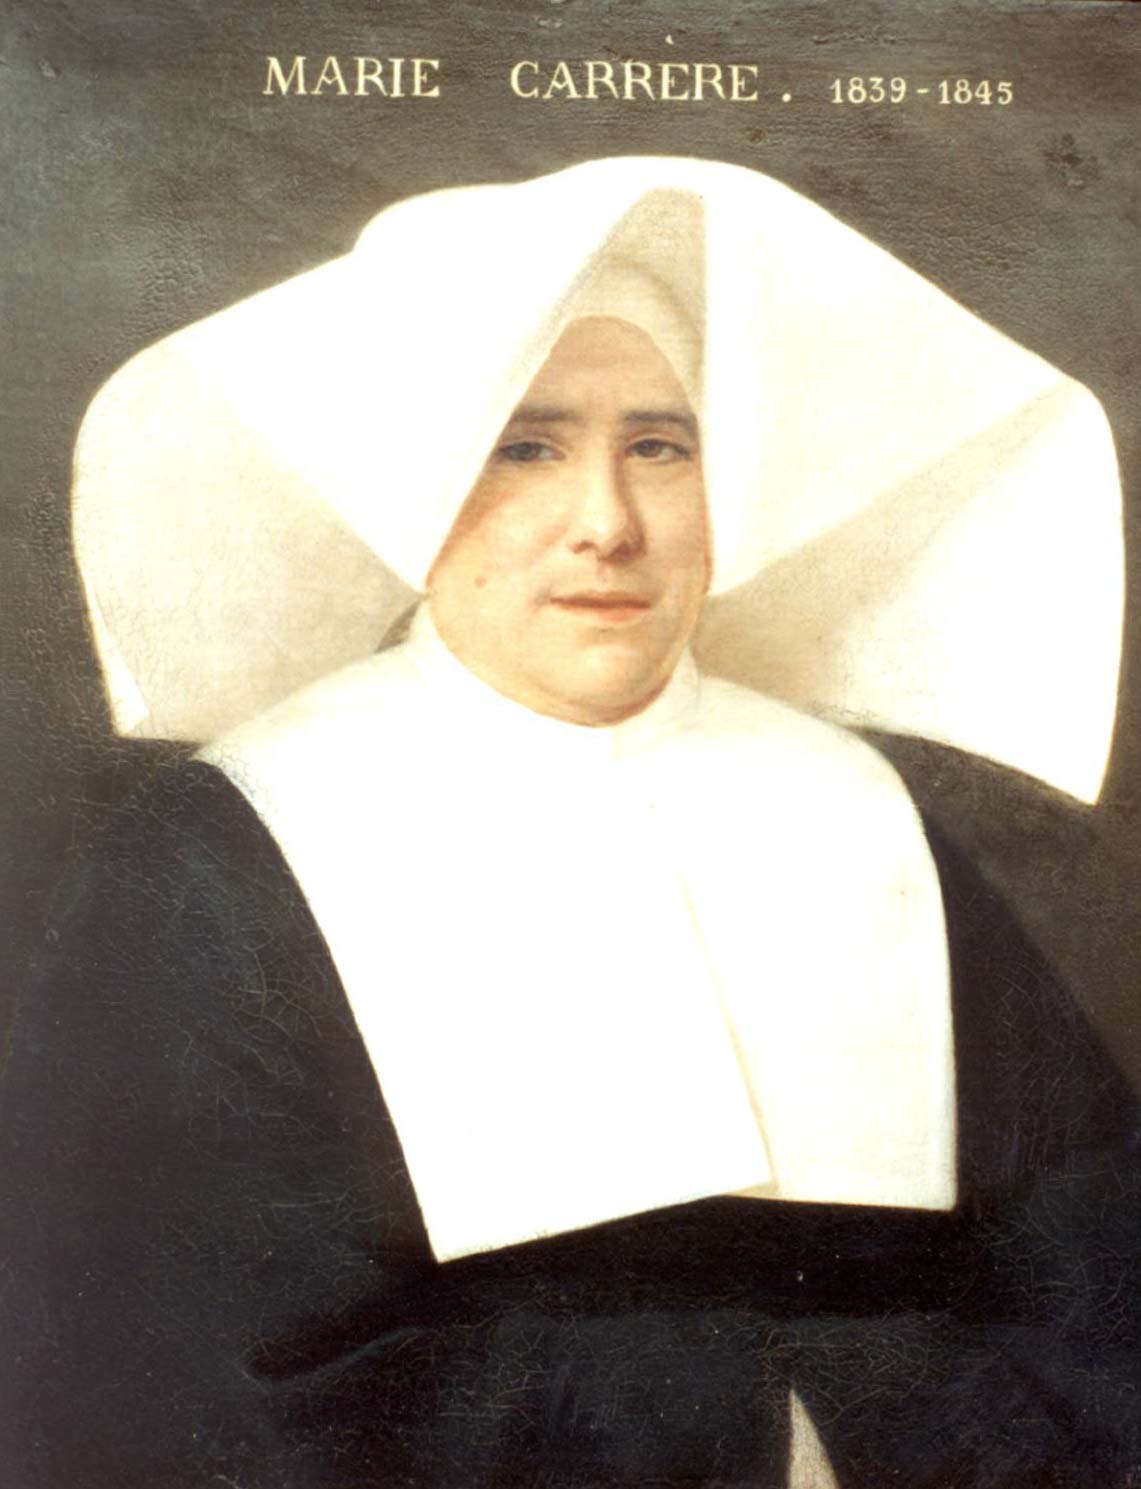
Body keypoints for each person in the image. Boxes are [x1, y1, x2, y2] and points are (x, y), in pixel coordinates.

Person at [1, 158, 1137, 1488]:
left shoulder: (871, 819)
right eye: (524, 447)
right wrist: (760, 1431)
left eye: (660, 446)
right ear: (412, 486)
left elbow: (1097, 1305)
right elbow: (185, 1376)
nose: (606, 523)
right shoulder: (220, 851)